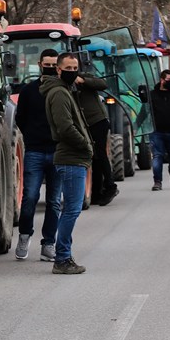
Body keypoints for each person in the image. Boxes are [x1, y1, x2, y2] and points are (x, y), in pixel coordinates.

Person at [41, 51, 92, 274]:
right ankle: (62, 259)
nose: (72, 72)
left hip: (73, 157)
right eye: (68, 69)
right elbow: (65, 127)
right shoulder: (59, 93)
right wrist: (85, 145)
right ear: (58, 70)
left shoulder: (65, 90)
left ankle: (64, 256)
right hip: (71, 157)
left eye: (75, 69)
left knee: (71, 209)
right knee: (71, 210)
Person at [13, 49, 62, 261]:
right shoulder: (28, 91)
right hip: (34, 151)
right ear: (40, 64)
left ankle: (48, 244)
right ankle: (24, 235)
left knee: (54, 201)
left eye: (54, 65)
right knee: (30, 196)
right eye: (47, 64)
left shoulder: (63, 90)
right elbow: (20, 119)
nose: (50, 68)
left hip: (58, 152)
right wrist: (32, 137)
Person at [74, 65, 117, 206]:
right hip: (82, 124)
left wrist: (83, 80)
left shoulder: (84, 77)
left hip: (97, 121)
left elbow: (102, 84)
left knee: (99, 154)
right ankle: (97, 192)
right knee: (93, 157)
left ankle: (110, 186)